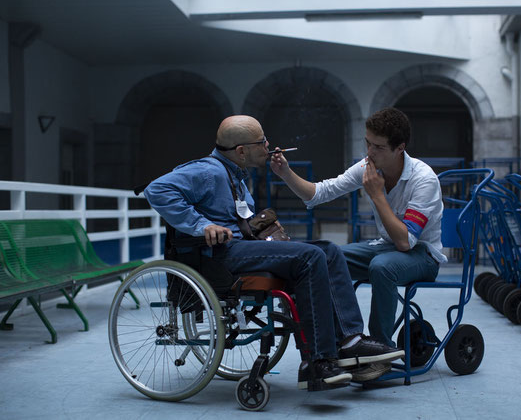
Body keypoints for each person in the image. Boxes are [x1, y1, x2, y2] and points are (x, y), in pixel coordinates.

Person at [144, 115, 403, 391]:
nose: (268, 145)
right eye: (261, 142)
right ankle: (316, 362)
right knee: (310, 256)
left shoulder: (234, 174)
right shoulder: (208, 171)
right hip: (220, 255)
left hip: (243, 246)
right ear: (241, 151)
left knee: (327, 250)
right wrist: (201, 225)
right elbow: (157, 190)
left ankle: (350, 341)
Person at [271, 107, 445, 367]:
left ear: (400, 148)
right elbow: (319, 193)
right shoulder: (368, 167)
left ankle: (380, 351)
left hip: (423, 255)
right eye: (368, 143)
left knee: (381, 267)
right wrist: (285, 172)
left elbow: (405, 242)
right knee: (324, 257)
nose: (370, 152)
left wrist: (376, 194)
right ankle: (343, 341)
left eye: (378, 147)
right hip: (388, 247)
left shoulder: (423, 180)